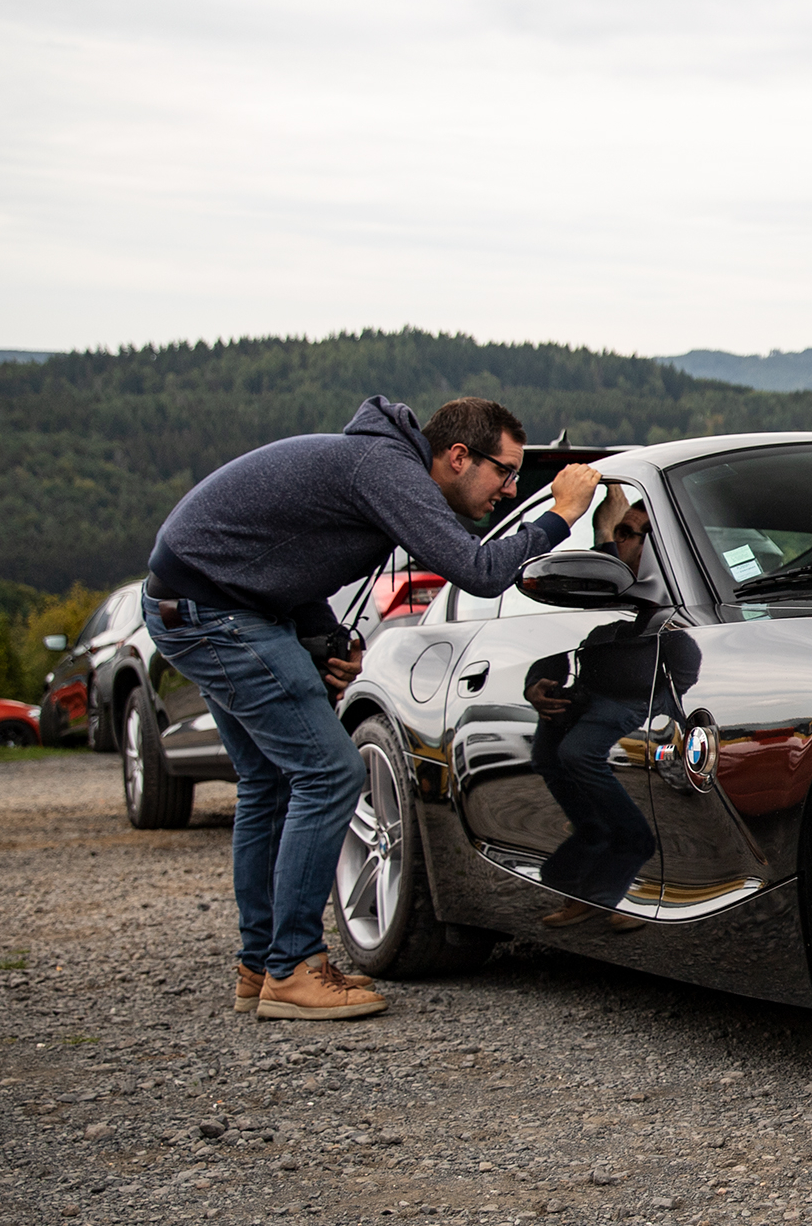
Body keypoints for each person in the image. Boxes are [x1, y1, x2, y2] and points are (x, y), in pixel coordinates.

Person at [144, 395, 600, 1021]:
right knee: (329, 774)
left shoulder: (377, 465)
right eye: (505, 470)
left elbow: (287, 558)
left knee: (268, 781)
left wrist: (327, 639)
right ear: (459, 457)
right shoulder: (387, 470)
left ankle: (264, 964)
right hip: (216, 613)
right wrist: (560, 515)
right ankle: (292, 972)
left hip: (199, 603)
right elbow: (479, 569)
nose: (511, 486)